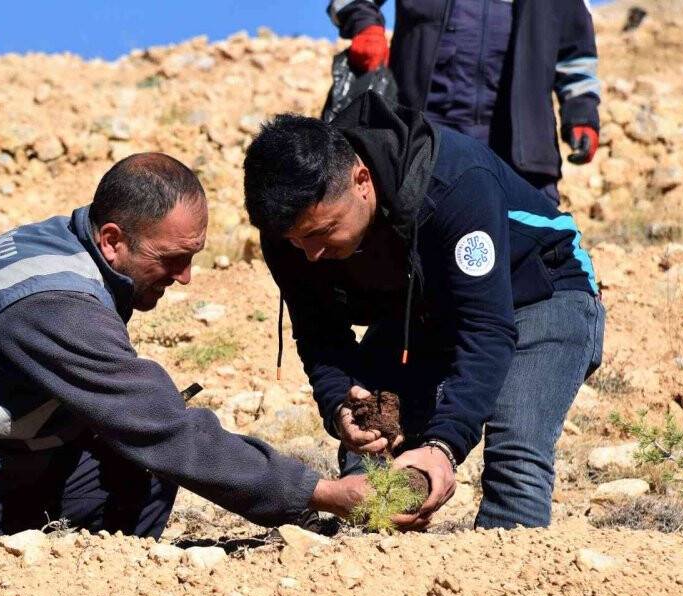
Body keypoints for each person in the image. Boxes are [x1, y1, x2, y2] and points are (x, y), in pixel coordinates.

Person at [0, 153, 365, 538]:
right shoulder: (51, 299)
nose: (186, 277)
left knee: (140, 466)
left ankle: (92, 592)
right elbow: (156, 422)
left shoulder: (74, 251)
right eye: (172, 259)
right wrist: (316, 493)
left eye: (192, 255)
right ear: (112, 240)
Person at [243, 92, 605, 530]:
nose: (312, 254)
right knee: (369, 435)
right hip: (423, 310)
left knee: (515, 448)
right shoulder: (290, 231)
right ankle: (375, 573)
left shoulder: (454, 183)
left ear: (362, 180)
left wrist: (442, 446)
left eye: (323, 233)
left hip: (540, 292)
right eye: (299, 242)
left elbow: (486, 329)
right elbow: (320, 331)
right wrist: (340, 403)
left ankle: (509, 580)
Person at [327, 0, 602, 203]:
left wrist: (581, 112)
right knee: (417, 244)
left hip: (520, 146)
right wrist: (365, 25)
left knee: (533, 245)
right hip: (425, 137)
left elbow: (576, 52)